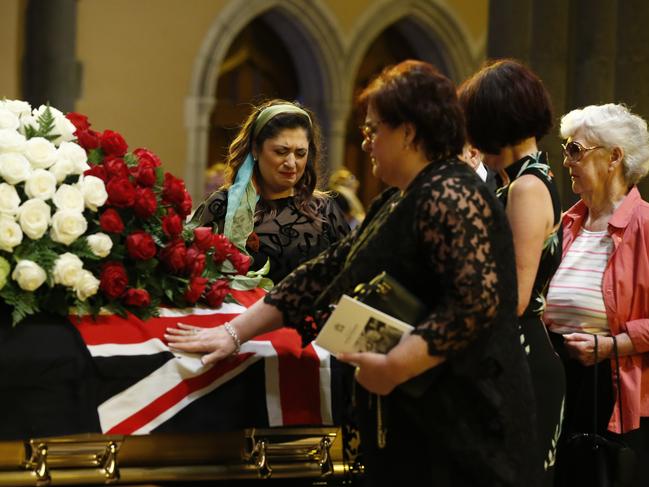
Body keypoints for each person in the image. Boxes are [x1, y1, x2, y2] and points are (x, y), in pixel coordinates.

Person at [166, 60, 537, 487]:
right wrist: (233, 333)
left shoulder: (451, 193)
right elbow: (327, 269)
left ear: (409, 132)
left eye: (373, 130)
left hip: (465, 429)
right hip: (413, 421)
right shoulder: (401, 197)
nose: (366, 145)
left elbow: (476, 305)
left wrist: (396, 365)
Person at [458, 58, 566, 486]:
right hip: (509, 355)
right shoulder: (517, 180)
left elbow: (515, 297)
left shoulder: (525, 187)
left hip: (520, 359)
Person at [544, 103, 649, 486]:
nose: (566, 160)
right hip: (560, 376)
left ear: (614, 157)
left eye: (576, 150)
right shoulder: (568, 223)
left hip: (611, 383)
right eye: (566, 148)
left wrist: (612, 346)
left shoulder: (645, 224)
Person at [192, 99, 350, 284]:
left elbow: (348, 276)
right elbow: (192, 270)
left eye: (300, 154)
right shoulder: (223, 206)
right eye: (281, 151)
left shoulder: (324, 210)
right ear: (256, 150)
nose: (291, 163)